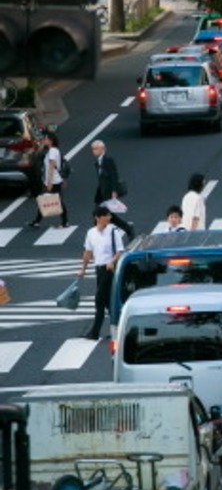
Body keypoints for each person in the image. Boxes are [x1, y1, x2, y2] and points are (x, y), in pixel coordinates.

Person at [76, 205, 126, 340]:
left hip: (110, 269)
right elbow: (88, 252)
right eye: (106, 215)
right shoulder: (91, 233)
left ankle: (95, 332)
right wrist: (83, 269)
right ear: (98, 218)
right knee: (108, 302)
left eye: (109, 215)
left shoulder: (113, 231)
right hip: (99, 270)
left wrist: (112, 261)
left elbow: (120, 251)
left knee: (99, 300)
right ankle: (120, 329)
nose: (109, 218)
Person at [90, 139, 134, 240]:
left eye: (96, 149)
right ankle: (127, 228)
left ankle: (96, 235)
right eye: (93, 149)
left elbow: (114, 175)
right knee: (104, 214)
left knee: (99, 213)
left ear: (103, 149)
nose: (94, 151)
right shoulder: (97, 162)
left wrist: (114, 191)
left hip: (108, 191)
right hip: (101, 192)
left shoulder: (108, 160)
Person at [27, 131, 69, 229]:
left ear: (50, 140)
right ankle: (37, 221)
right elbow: (38, 153)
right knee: (46, 199)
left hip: (53, 181)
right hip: (53, 180)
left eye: (45, 139)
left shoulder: (53, 151)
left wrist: (49, 183)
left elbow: (51, 167)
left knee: (58, 201)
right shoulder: (51, 151)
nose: (43, 140)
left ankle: (65, 222)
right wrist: (42, 145)